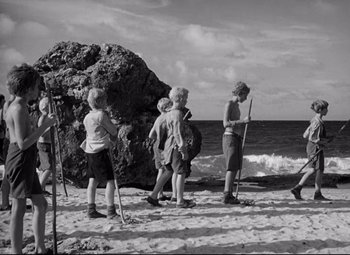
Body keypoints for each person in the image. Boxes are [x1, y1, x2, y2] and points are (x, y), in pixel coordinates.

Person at [5, 63, 57, 254]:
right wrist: (46, 126)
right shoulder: (18, 108)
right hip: (20, 158)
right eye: (36, 86)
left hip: (26, 158)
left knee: (40, 204)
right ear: (27, 89)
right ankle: (16, 251)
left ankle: (40, 247)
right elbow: (22, 143)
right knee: (18, 208)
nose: (38, 90)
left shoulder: (19, 105)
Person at [146, 87, 196, 209]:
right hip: (175, 147)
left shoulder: (167, 114)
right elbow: (177, 133)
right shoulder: (178, 113)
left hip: (168, 147)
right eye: (185, 98)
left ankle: (153, 196)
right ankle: (180, 200)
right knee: (181, 172)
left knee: (168, 171)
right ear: (179, 98)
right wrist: (183, 149)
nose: (186, 101)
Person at [80, 87, 119, 219]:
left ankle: (91, 209)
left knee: (93, 179)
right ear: (102, 101)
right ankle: (111, 210)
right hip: (101, 150)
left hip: (90, 150)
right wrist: (114, 135)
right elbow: (113, 131)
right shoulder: (101, 115)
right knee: (110, 181)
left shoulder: (87, 117)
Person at [290, 99, 333, 200]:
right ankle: (316, 194)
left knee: (313, 169)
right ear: (321, 109)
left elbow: (305, 135)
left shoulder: (314, 120)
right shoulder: (318, 122)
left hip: (312, 147)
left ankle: (298, 188)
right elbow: (312, 138)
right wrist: (323, 142)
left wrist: (326, 139)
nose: (327, 110)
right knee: (319, 169)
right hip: (315, 147)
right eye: (326, 108)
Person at [222, 81, 251, 204]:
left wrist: (243, 125)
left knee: (235, 167)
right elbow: (225, 123)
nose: (246, 98)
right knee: (231, 166)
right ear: (240, 93)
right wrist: (242, 122)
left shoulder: (237, 106)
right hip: (230, 137)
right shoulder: (229, 104)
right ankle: (227, 194)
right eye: (245, 95)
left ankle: (230, 193)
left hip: (237, 137)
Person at [148, 97, 173, 201]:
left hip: (157, 144)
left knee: (160, 170)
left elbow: (151, 135)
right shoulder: (167, 118)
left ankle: (159, 194)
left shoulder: (158, 118)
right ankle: (157, 194)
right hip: (164, 144)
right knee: (168, 170)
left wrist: (158, 138)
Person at [0, 91, 15, 211]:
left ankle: (6, 202)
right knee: (9, 173)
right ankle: (6, 202)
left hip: (8, 141)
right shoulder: (10, 104)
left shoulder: (8, 104)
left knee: (8, 173)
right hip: (9, 142)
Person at [37, 97, 53, 195]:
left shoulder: (47, 117)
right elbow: (41, 133)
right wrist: (50, 127)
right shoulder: (42, 118)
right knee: (48, 168)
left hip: (46, 143)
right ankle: (39, 189)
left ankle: (41, 189)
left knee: (44, 167)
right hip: (43, 144)